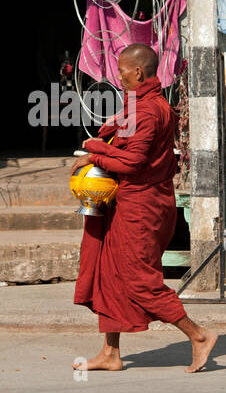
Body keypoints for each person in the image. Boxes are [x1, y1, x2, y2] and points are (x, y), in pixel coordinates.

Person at [72, 43, 217, 373]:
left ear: (138, 71)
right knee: (110, 274)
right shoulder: (140, 105)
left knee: (139, 279)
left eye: (122, 70)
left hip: (142, 206)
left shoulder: (147, 110)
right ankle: (110, 352)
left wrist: (93, 153)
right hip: (128, 202)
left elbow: (134, 161)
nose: (118, 75)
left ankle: (198, 336)